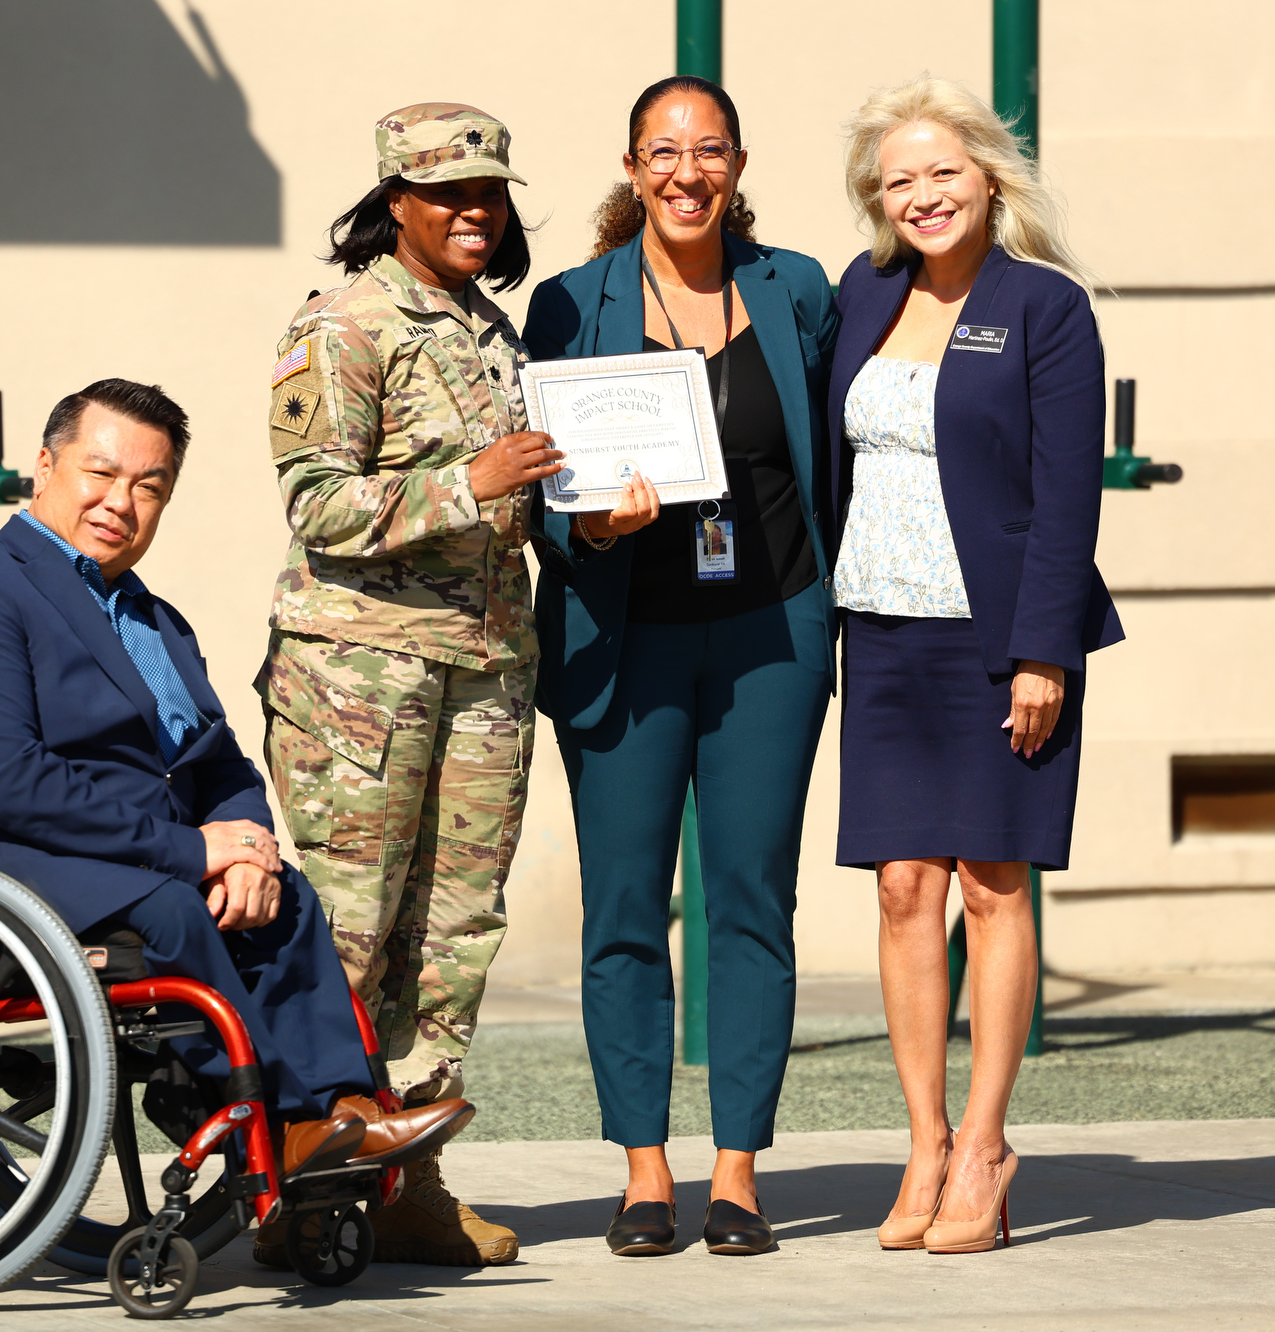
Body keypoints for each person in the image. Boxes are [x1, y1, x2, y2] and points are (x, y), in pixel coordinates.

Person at [0, 377, 476, 1184]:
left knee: (286, 899)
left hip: (140, 858)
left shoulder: (154, 618)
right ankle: (284, 1126)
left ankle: (346, 1112)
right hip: (14, 858)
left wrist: (247, 851)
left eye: (149, 486)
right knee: (173, 904)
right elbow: (6, 782)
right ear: (44, 466)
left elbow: (218, 763)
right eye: (99, 474)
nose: (119, 503)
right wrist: (187, 850)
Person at [523, 76, 840, 1258]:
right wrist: (588, 528)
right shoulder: (569, 303)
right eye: (663, 151)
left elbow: (835, 450)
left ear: (739, 165)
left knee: (754, 901)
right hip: (625, 639)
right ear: (630, 165)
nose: (685, 172)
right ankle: (644, 1172)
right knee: (621, 911)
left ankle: (741, 1174)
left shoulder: (793, 288)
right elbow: (541, 487)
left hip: (771, 633)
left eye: (708, 150)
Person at [255, 103, 561, 1267]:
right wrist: (466, 482)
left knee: (453, 936)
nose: (474, 213)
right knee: (350, 932)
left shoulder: (491, 332)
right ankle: (300, 1190)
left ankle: (408, 1183)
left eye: (488, 192)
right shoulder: (343, 323)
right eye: (447, 195)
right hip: (361, 678)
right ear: (396, 203)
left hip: (484, 666)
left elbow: (522, 498)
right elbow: (316, 503)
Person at [829, 78, 1123, 1254]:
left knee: (992, 884)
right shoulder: (862, 295)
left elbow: (1066, 498)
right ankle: (924, 1141)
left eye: (940, 172)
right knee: (903, 886)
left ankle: (987, 1148)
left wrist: (1041, 653)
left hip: (999, 642)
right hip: (882, 632)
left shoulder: (1043, 308)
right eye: (897, 180)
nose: (921, 195)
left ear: (987, 180)